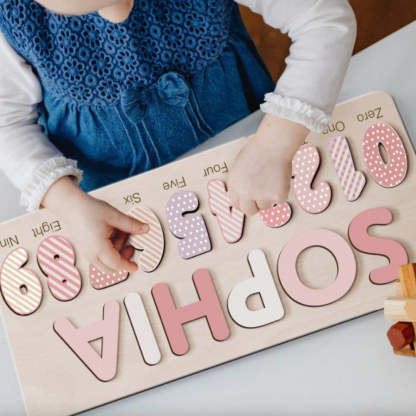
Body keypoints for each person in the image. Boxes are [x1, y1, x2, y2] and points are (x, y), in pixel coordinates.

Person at [0, 0, 356, 273]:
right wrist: (66, 202)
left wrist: (275, 144)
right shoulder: (13, 15)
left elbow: (324, 20)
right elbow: (8, 120)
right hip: (120, 217)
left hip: (255, 170)